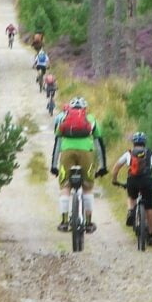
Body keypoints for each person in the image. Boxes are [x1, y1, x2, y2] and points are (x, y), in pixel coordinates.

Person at [51, 97, 107, 233]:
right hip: (86, 153)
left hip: (67, 152)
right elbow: (99, 144)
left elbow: (57, 143)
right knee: (87, 188)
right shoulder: (90, 119)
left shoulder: (63, 119)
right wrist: (102, 166)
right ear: (84, 108)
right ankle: (88, 223)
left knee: (65, 186)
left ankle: (64, 222)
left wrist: (54, 165)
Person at [110, 131, 152, 246]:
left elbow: (116, 167)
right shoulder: (150, 154)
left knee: (131, 196)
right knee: (150, 207)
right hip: (147, 181)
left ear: (133, 143)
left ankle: (131, 211)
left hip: (132, 180)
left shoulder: (129, 153)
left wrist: (114, 180)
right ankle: (150, 235)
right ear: (144, 142)